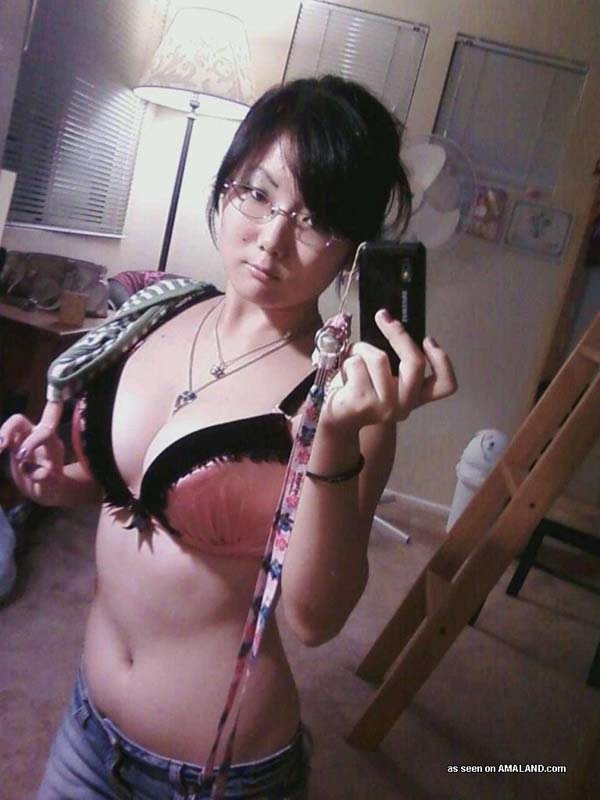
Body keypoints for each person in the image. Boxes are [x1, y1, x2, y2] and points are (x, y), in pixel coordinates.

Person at [0, 75, 457, 799]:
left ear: (353, 251)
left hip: (213, 779)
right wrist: (63, 483)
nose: (272, 237)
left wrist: (334, 438)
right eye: (258, 193)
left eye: (316, 220)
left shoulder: (346, 403)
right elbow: (131, 490)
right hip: (85, 731)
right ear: (227, 184)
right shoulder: (161, 312)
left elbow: (316, 619)